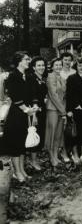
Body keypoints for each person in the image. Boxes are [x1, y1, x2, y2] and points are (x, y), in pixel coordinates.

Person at [2, 52, 37, 182]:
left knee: (23, 143)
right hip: (16, 114)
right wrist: (26, 109)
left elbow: (33, 93)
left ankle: (21, 170)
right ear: (19, 61)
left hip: (26, 114)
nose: (29, 61)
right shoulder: (12, 76)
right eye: (26, 59)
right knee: (16, 144)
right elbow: (14, 95)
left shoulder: (27, 76)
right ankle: (16, 172)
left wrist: (34, 106)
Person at [45, 58, 68, 167]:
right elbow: (53, 95)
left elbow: (64, 96)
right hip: (53, 109)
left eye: (60, 65)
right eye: (56, 65)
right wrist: (63, 111)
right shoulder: (50, 77)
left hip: (61, 109)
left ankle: (55, 155)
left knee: (58, 134)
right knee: (52, 133)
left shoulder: (62, 78)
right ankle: (51, 157)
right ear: (52, 66)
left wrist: (64, 109)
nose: (58, 66)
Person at [27, 57, 48, 170]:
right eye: (38, 65)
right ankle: (33, 162)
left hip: (42, 110)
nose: (41, 67)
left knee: (40, 133)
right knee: (35, 134)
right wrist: (34, 114)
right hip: (35, 111)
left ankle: (35, 160)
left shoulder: (43, 78)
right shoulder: (32, 79)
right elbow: (33, 96)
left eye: (43, 65)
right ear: (34, 67)